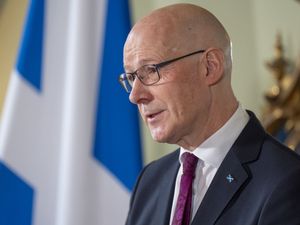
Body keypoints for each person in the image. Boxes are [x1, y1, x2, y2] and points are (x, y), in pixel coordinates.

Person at [119, 3, 300, 225]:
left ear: (210, 67)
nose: (135, 95)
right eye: (131, 77)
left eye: (150, 70)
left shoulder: (287, 181)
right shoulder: (149, 182)